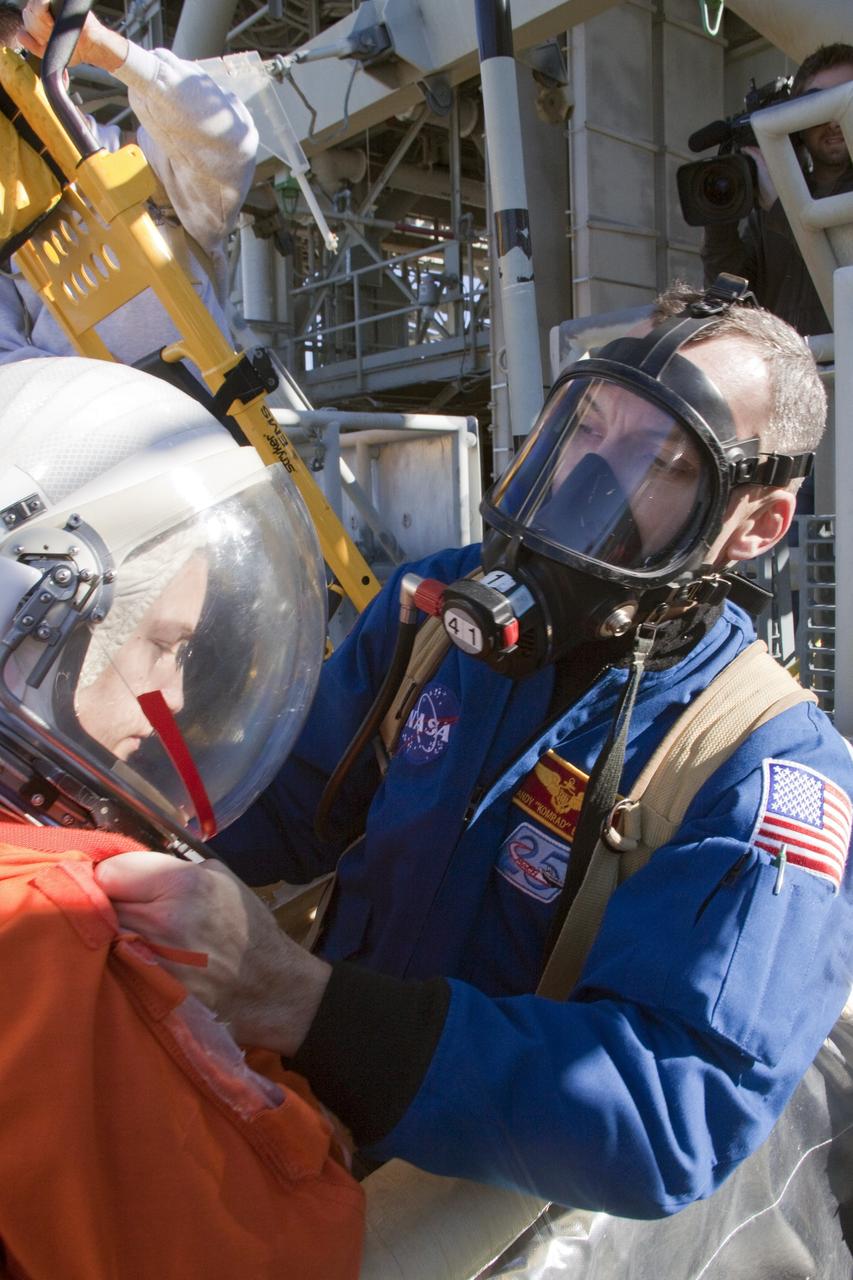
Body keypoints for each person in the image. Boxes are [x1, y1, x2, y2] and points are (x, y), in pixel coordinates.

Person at [96, 280, 853, 1219]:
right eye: (584, 429)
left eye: (658, 458)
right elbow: (288, 805)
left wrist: (305, 1003)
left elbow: (673, 1113)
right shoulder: (437, 605)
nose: (586, 482)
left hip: (483, 1191)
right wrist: (95, 827)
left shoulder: (761, 769)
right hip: (300, 1092)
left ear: (755, 525)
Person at [0, 354, 364, 1278]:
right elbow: (272, 1251)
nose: (165, 696)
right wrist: (304, 1134)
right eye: (159, 646)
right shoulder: (51, 927)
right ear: (35, 619)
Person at [0, 0, 258, 364]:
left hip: (203, 414)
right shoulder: (8, 228)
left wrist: (105, 49)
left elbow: (231, 141)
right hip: (87, 419)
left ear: (54, 75)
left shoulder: (144, 162)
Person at [701, 42, 853, 336]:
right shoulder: (770, 206)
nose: (835, 120)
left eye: (845, 103)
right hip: (792, 375)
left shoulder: (775, 203)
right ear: (797, 121)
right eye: (819, 106)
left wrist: (779, 207)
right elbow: (726, 301)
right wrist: (721, 217)